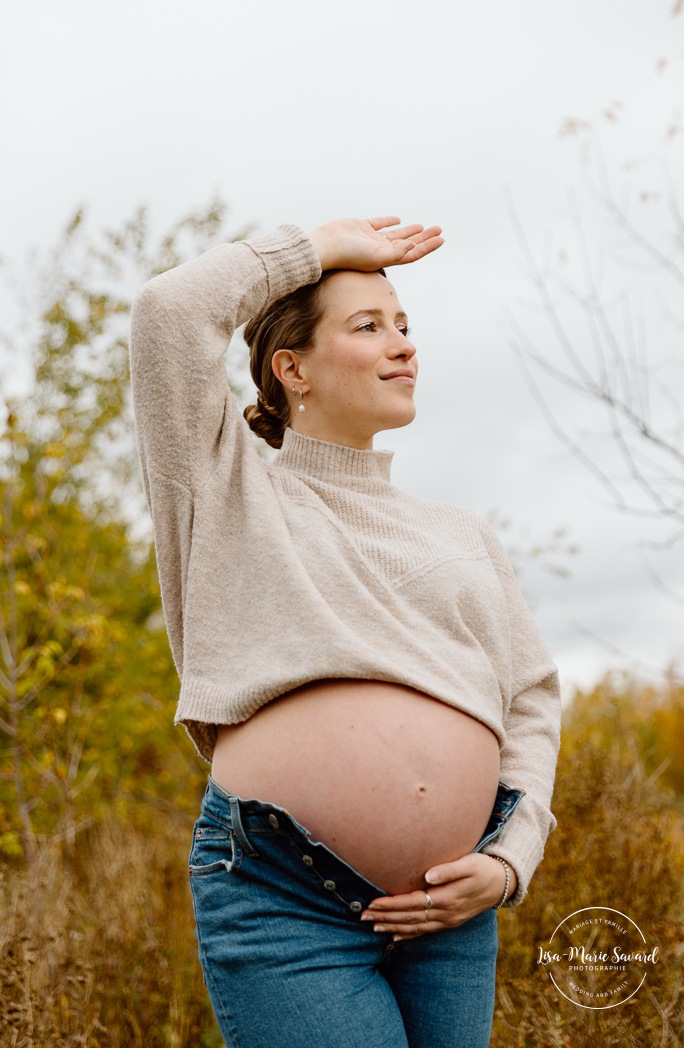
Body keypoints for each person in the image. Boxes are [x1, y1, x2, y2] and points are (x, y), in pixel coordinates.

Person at [129, 216, 561, 1048]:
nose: (402, 345)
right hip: (284, 898)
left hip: (450, 912)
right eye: (367, 326)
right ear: (291, 369)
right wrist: (318, 248)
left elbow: (530, 702)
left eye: (404, 325)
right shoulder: (226, 490)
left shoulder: (462, 534)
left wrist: (509, 859)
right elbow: (167, 313)